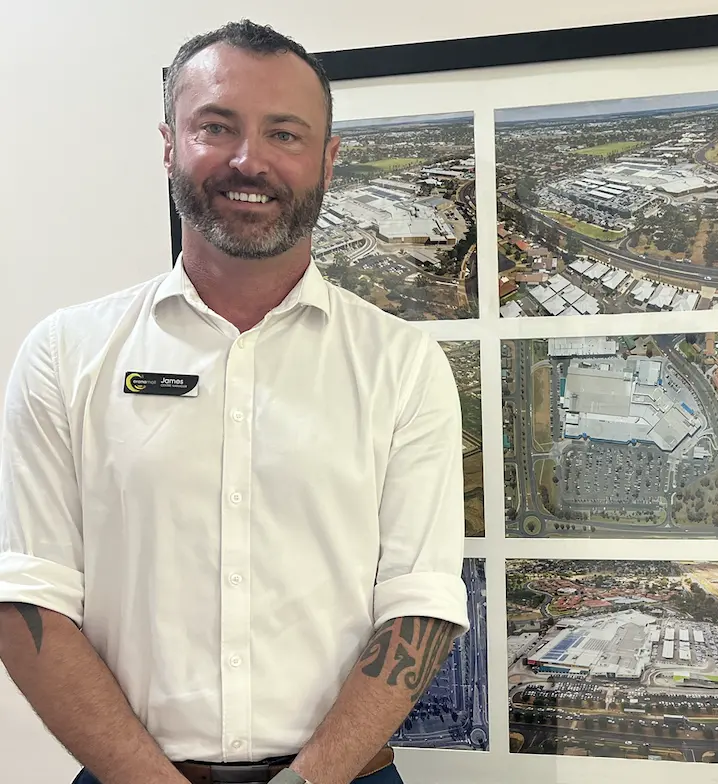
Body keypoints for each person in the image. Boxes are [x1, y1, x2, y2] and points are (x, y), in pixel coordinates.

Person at [0, 19, 470, 784]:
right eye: (216, 127)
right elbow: (27, 599)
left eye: (284, 133)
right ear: (168, 144)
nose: (249, 160)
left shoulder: (402, 363)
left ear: (328, 158)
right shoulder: (64, 354)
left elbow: (420, 602)